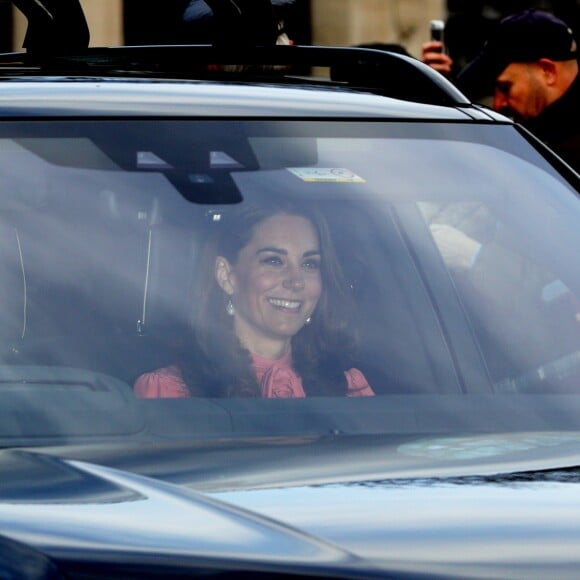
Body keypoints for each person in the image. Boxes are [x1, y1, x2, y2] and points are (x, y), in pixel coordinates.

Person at [134, 201, 374, 399]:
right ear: (227, 275)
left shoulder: (348, 388)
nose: (296, 281)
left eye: (309, 264)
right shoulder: (170, 392)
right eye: (273, 261)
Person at [423, 10, 580, 171]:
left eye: (505, 88)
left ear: (548, 71)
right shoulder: (541, 131)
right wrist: (434, 93)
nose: (498, 104)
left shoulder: (559, 146)